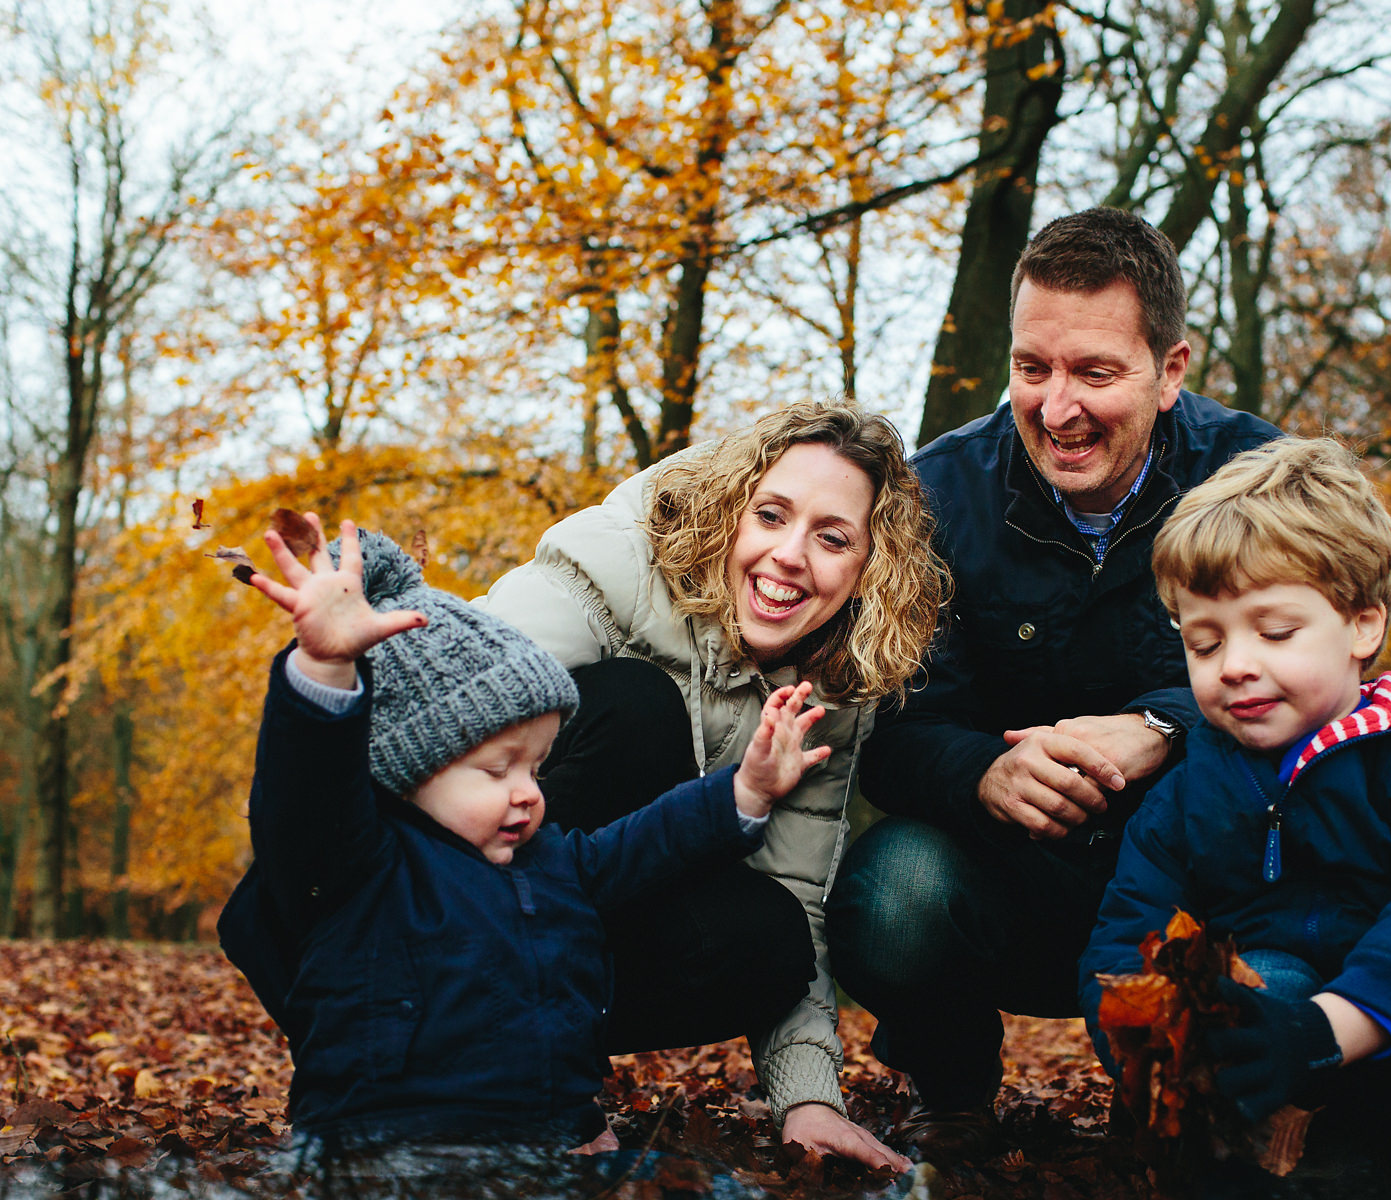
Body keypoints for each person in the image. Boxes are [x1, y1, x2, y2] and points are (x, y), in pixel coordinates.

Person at [825, 207, 1281, 1159]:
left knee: (1197, 1139)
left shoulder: (1255, 480)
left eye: (1095, 373)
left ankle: (1167, 1082)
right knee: (891, 890)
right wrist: (983, 777)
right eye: (1033, 369)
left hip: (1194, 876)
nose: (1057, 407)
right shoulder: (936, 496)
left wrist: (1163, 727)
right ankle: (952, 1091)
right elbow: (894, 735)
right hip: (1009, 880)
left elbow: (1323, 694)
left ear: (1172, 371)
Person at [217, 514, 831, 1150]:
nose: (529, 792)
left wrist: (747, 790)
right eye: (496, 769)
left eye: (536, 768)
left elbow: (647, 842)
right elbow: (305, 797)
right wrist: (325, 670)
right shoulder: (364, 869)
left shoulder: (544, 863)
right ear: (410, 768)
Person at [1078, 437, 1391, 1198]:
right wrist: (1159, 1043)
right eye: (1204, 642)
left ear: (1362, 626)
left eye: (1274, 632)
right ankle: (1298, 1174)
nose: (1235, 664)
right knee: (1257, 982)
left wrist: (1324, 1031)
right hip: (1276, 1054)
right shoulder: (1188, 791)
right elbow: (1125, 934)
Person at [477, 401, 943, 1170]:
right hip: (424, 912)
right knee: (637, 707)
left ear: (869, 570)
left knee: (771, 938)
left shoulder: (830, 691)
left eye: (832, 538)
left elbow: (795, 885)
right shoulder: (611, 565)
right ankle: (493, 1066)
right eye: (771, 515)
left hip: (570, 926)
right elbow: (452, 731)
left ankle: (528, 1054)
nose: (790, 556)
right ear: (731, 513)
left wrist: (810, 1099)